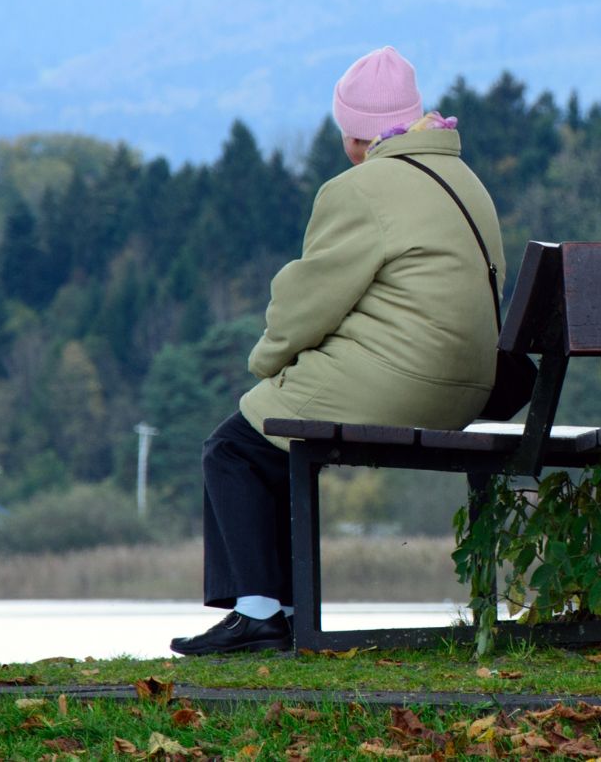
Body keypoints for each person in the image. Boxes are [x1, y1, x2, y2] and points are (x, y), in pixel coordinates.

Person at [170, 46, 505, 655]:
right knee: (271, 444)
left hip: (400, 383)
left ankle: (259, 612)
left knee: (236, 444)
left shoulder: (362, 188)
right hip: (467, 391)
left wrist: (268, 365)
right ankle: (283, 609)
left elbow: (307, 303)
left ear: (355, 136)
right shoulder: (466, 181)